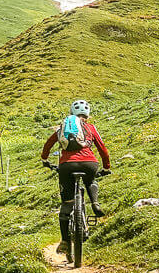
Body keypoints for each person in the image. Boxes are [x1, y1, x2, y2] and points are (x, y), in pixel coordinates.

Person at [40, 99, 111, 255]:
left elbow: (48, 144)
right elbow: (103, 149)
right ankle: (95, 203)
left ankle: (65, 241)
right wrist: (106, 167)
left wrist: (45, 160)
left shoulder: (62, 128)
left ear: (71, 113)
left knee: (67, 203)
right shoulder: (91, 128)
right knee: (91, 180)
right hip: (89, 164)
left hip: (67, 166)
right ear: (88, 115)